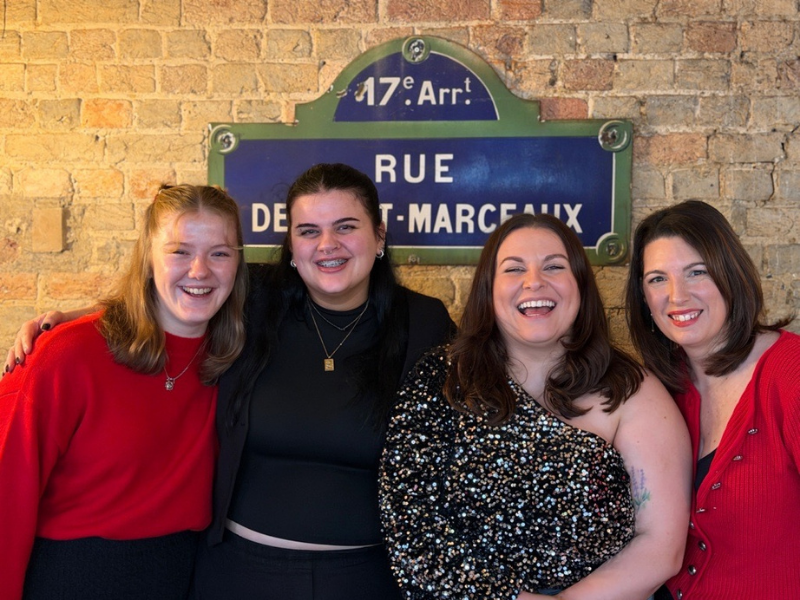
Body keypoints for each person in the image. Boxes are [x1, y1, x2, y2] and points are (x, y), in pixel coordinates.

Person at [5, 164, 455, 600]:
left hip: (364, 578)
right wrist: (67, 324)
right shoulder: (258, 303)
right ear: (291, 245)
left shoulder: (422, 322)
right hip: (234, 571)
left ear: (379, 235)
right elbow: (177, 292)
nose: (327, 245)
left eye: (346, 227)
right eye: (308, 231)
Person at [380, 213, 692, 600]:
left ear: (581, 283)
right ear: (488, 289)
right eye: (514, 269)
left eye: (554, 267)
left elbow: (660, 545)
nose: (534, 282)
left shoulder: (632, 390)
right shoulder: (441, 381)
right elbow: (410, 527)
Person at [0, 184, 248, 600]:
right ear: (148, 258)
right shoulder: (67, 356)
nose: (200, 270)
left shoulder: (235, 355)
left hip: (181, 575)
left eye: (220, 254)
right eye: (179, 251)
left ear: (239, 264)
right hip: (72, 579)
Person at [624, 200, 800, 600]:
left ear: (730, 275)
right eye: (657, 279)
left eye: (697, 272)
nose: (677, 296)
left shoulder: (791, 375)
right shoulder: (659, 390)